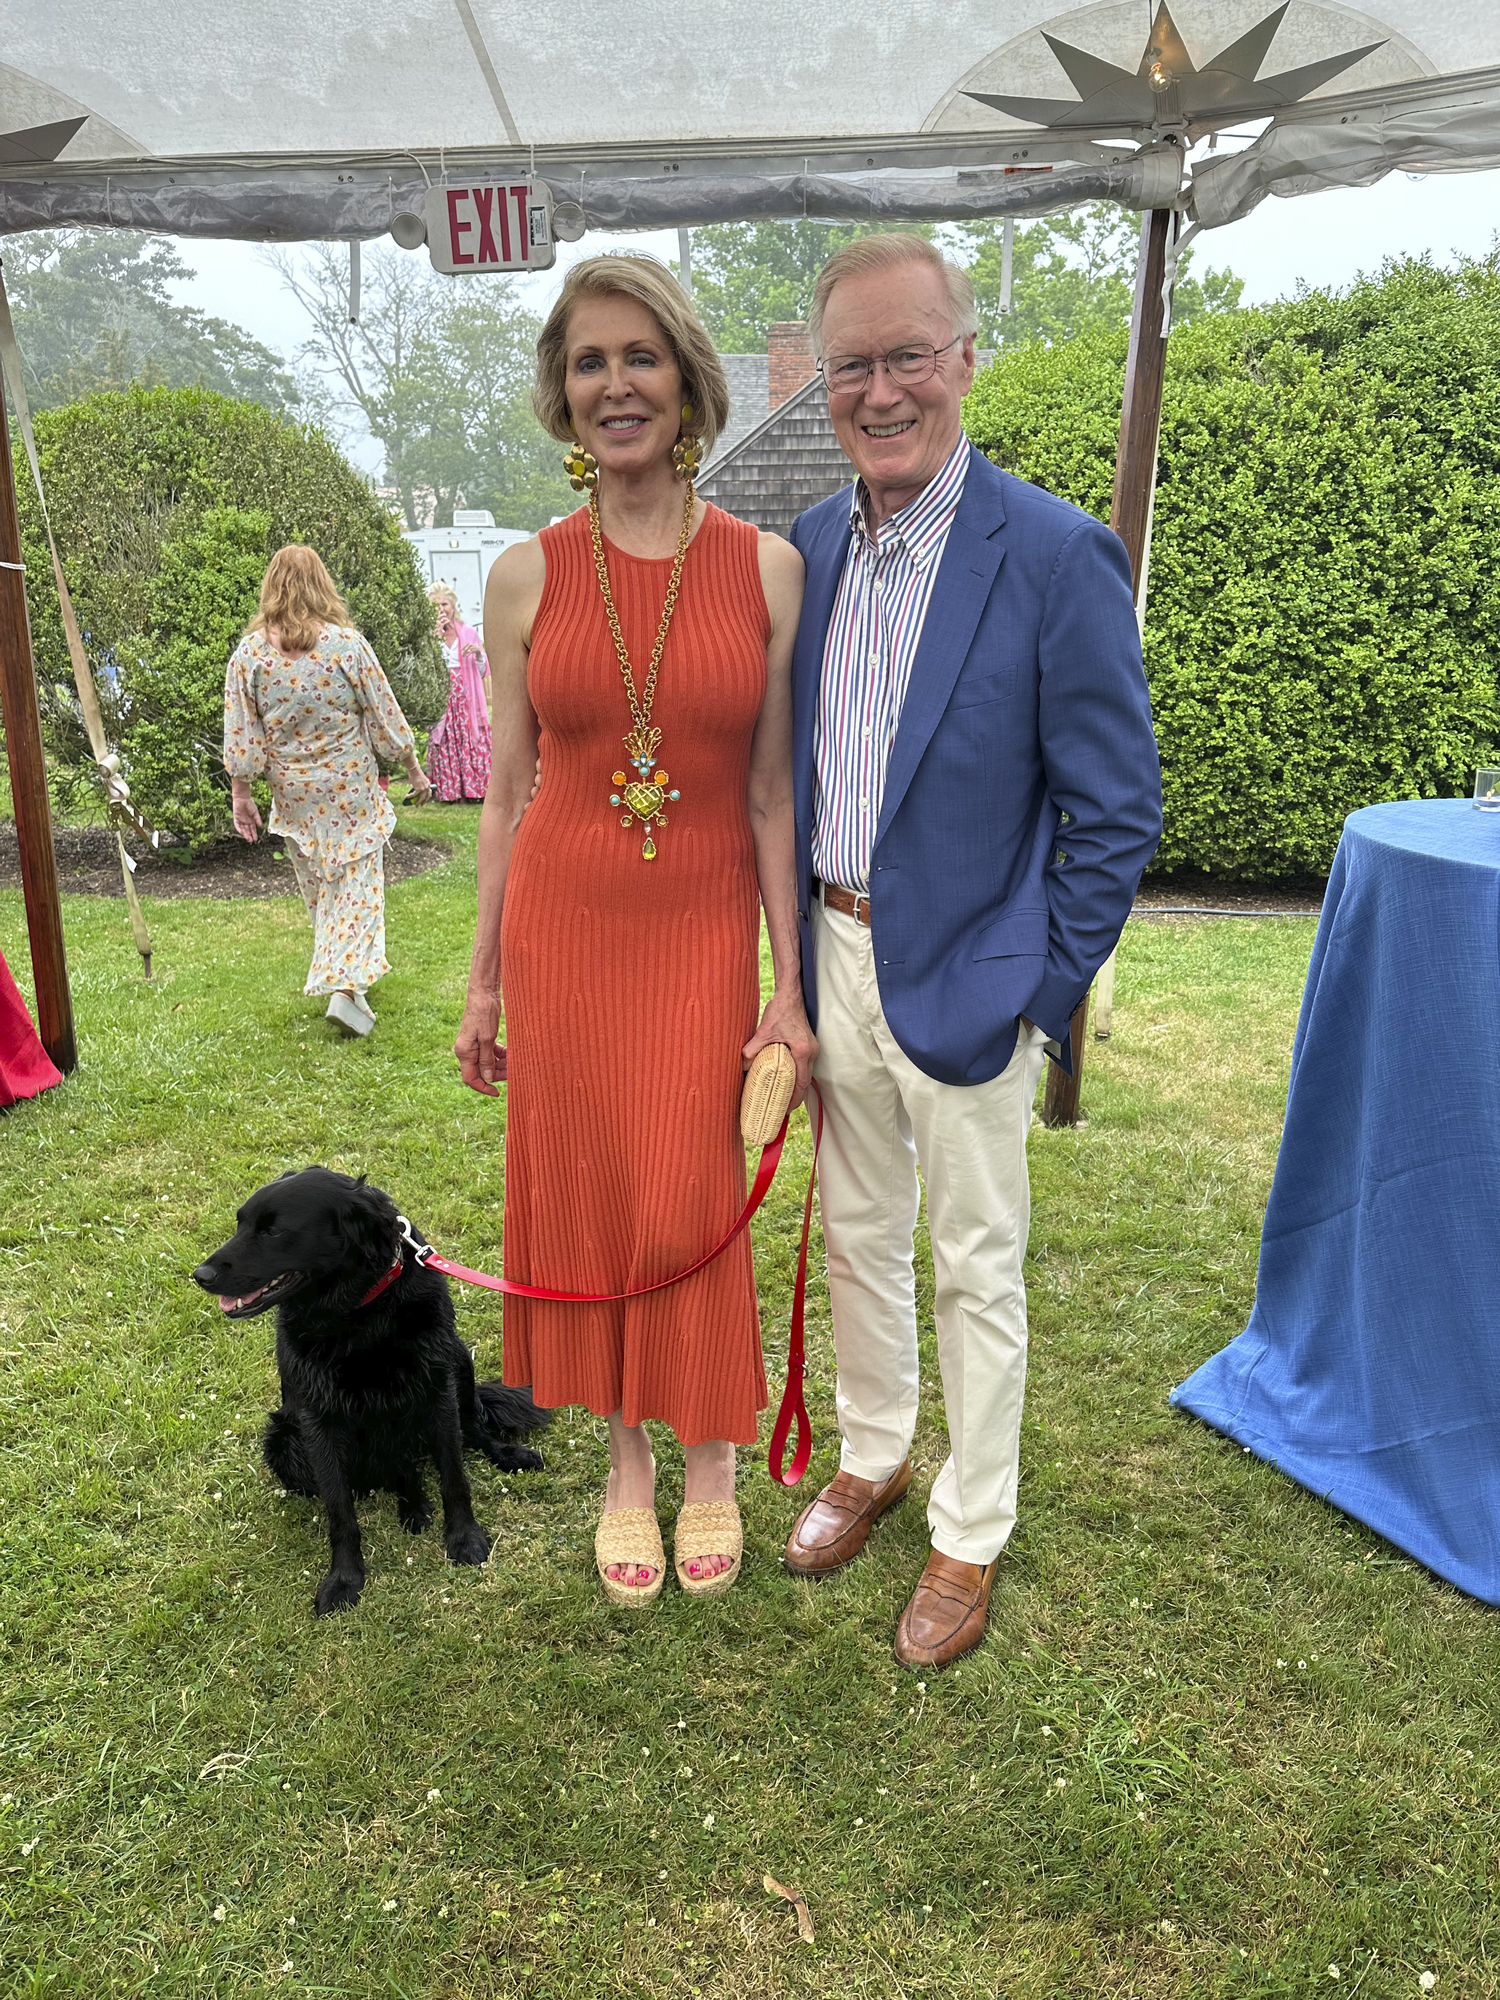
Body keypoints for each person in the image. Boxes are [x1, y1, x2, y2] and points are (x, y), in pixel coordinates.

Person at [782, 236, 1162, 1669]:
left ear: (963, 360)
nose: (881, 391)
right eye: (852, 366)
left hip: (975, 978)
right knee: (861, 1236)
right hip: (832, 946)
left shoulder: (1058, 554)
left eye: (907, 356)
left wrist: (1042, 984)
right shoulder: (806, 550)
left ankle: (971, 1527)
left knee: (974, 1260)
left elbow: (1116, 808)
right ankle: (874, 1454)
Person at [454, 255, 812, 1606]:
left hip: (705, 924)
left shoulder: (767, 571)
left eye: (640, 357)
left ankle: (711, 1454)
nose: (617, 385)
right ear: (563, 394)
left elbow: (773, 794)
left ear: (687, 382)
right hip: (566, 925)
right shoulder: (522, 576)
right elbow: (503, 800)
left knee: (692, 1185)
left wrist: (789, 984)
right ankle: (624, 1466)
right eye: (590, 362)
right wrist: (481, 985)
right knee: (604, 1185)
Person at [224, 545, 432, 1038]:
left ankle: (349, 982)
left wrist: (241, 793)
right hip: (348, 789)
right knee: (358, 885)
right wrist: (413, 768)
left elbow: (242, 733)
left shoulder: (249, 656)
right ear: (323, 584)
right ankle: (344, 987)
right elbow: (384, 713)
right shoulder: (345, 646)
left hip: (294, 793)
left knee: (321, 886)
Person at [426, 584, 492, 802]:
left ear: (453, 606)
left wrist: (478, 654)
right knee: (445, 740)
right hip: (442, 695)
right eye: (436, 605)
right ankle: (450, 792)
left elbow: (483, 671)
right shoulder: (428, 636)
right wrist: (434, 637)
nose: (441, 609)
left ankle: (475, 791)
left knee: (469, 739)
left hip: (466, 697)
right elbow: (425, 665)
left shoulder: (469, 632)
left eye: (444, 604)